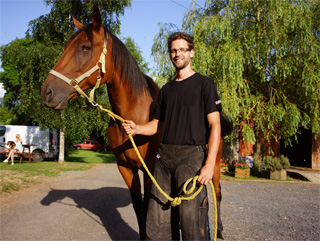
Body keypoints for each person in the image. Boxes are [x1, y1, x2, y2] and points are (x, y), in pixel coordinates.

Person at [122, 32, 222, 240]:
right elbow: (156, 125)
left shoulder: (205, 85)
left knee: (191, 221)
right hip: (163, 159)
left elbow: (215, 125)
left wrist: (209, 163)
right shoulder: (166, 90)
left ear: (191, 53)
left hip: (192, 157)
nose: (177, 54)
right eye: (173, 51)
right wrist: (136, 128)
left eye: (182, 50)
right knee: (157, 221)